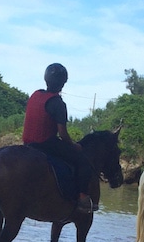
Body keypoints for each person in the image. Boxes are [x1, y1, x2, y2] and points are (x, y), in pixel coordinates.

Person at [22, 63, 97, 213]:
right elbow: (62, 134)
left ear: (46, 79)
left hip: (28, 143)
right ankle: (82, 198)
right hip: (46, 143)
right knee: (83, 162)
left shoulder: (35, 95)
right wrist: (74, 145)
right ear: (63, 83)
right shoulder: (57, 103)